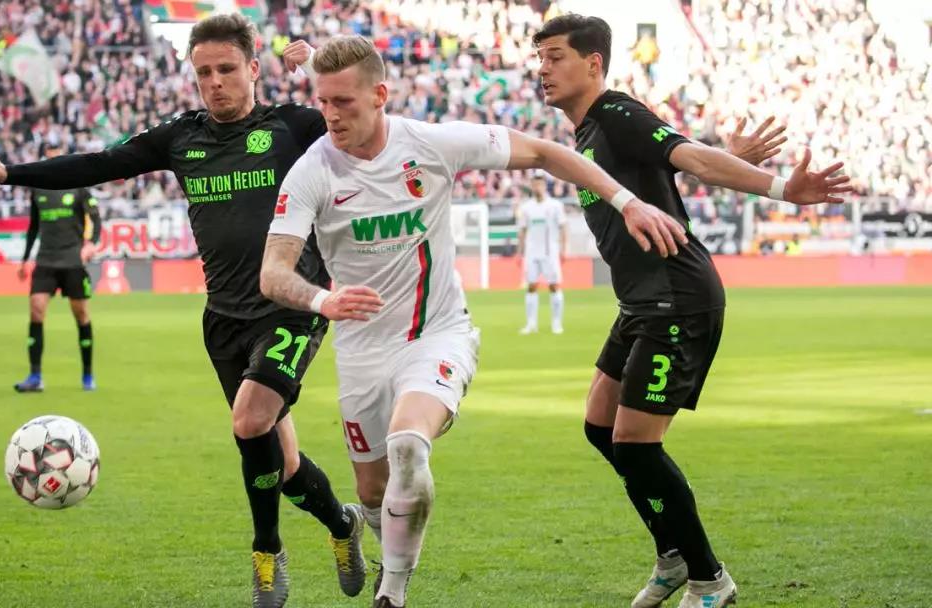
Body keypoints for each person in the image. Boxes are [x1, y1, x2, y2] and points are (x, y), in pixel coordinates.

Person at [259, 35, 687, 608]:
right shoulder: (312, 171)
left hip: (437, 334)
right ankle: (370, 534)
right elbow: (273, 273)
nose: (330, 115)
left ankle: (392, 593)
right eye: (324, 102)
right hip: (361, 350)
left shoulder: (430, 143)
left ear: (380, 96)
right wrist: (320, 300)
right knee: (373, 490)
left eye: (344, 103)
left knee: (408, 443)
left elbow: (544, 152)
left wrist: (626, 201)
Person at [0, 14, 365, 608]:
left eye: (226, 69)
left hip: (293, 304)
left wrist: (316, 66)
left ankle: (267, 554)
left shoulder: (293, 126)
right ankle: (343, 524)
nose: (214, 82)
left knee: (249, 421)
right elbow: (99, 163)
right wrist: (10, 174)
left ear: (254, 68)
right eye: (203, 72)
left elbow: (360, 119)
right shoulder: (181, 137)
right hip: (223, 318)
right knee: (281, 464)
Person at [532, 14, 852, 608]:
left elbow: (692, 161)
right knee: (600, 426)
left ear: (593, 63)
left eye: (555, 57)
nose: (542, 69)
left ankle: (709, 578)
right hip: (640, 302)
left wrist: (782, 189)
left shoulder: (617, 113)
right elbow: (671, 169)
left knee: (635, 444)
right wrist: (719, 155)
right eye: (540, 59)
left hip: (676, 298)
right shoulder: (592, 131)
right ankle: (673, 554)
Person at [13, 143, 103, 393]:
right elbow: (33, 227)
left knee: (81, 315)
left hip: (72, 260)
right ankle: (35, 376)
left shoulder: (79, 187)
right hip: (46, 260)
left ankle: (87, 374)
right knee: (36, 309)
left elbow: (96, 219)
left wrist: (91, 244)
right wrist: (24, 259)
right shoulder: (37, 189)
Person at [517, 173, 568, 335]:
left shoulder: (555, 206)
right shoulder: (526, 207)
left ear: (545, 186)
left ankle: (556, 324)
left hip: (550, 252)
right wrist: (519, 252)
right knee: (531, 286)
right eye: (534, 184)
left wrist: (563, 249)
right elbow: (522, 231)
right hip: (531, 253)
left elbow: (563, 227)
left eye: (539, 184)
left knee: (554, 286)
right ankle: (531, 324)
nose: (537, 187)